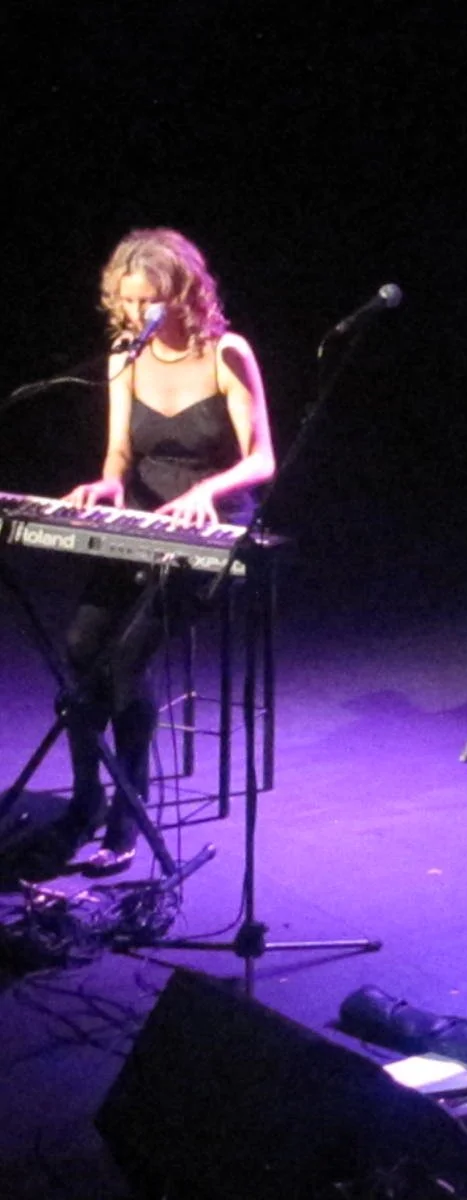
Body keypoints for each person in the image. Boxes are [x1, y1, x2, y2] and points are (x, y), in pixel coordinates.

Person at [52, 228, 275, 872]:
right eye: (125, 302)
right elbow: (120, 451)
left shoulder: (227, 353)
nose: (134, 314)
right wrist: (108, 482)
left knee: (124, 661)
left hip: (210, 526)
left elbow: (262, 458)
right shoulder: (125, 355)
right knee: (78, 646)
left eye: (147, 300)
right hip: (143, 521)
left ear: (182, 294)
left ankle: (129, 815)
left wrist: (208, 490)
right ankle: (88, 798)